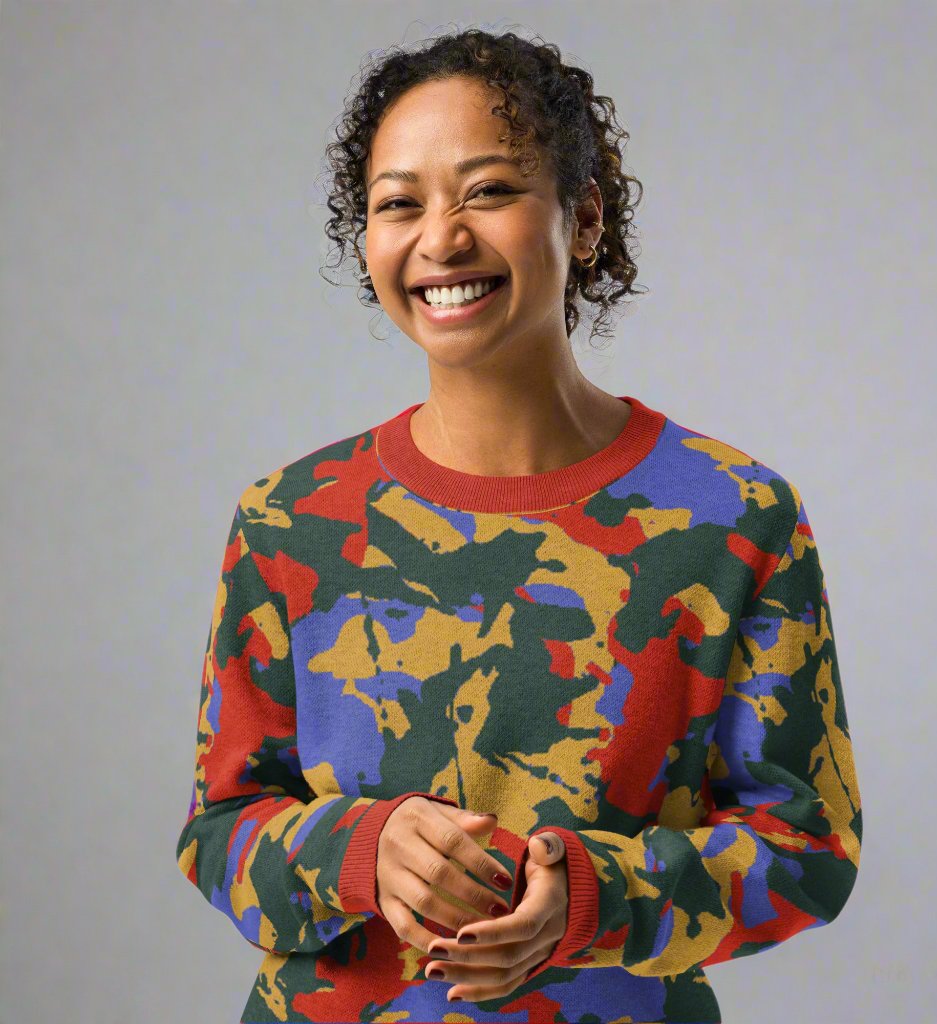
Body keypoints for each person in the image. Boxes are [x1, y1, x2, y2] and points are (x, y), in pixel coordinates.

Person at [174, 27, 863, 1024]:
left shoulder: (735, 516)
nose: (440, 237)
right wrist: (359, 851)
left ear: (582, 221)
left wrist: (589, 899)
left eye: (487, 191)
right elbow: (220, 831)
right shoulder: (289, 520)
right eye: (398, 203)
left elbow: (808, 847)